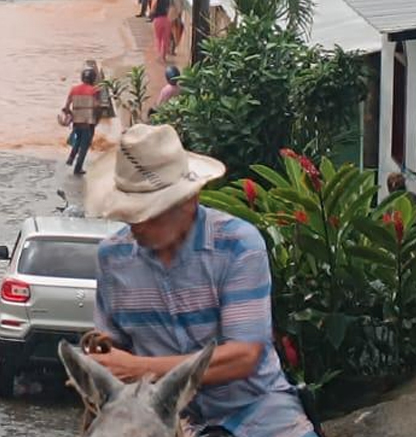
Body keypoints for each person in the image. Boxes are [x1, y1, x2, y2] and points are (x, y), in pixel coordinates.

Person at [83, 124, 318, 437]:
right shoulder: (112, 258)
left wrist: (140, 369)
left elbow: (243, 357)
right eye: (130, 213)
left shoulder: (237, 245)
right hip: (172, 420)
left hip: (261, 413)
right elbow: (113, 345)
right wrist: (104, 357)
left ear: (188, 202)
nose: (136, 224)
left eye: (147, 214)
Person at [62, 66, 101, 175]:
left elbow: (66, 107)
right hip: (88, 122)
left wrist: (68, 116)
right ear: (93, 78)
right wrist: (97, 119)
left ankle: (71, 158)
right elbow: (97, 107)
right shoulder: (95, 90)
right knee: (85, 146)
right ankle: (78, 168)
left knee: (78, 139)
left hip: (76, 121)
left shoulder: (74, 89)